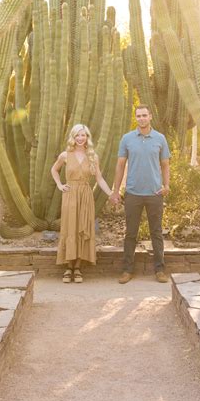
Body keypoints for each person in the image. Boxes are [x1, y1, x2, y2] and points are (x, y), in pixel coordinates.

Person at [110, 105, 170, 284]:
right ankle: (127, 270)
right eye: (139, 116)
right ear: (136, 118)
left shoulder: (160, 138)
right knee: (130, 233)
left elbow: (165, 164)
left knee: (156, 233)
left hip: (154, 193)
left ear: (150, 116)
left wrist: (166, 185)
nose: (142, 118)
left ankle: (160, 270)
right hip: (133, 193)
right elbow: (120, 165)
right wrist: (116, 190)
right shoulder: (127, 139)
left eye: (144, 115)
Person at [51, 124, 113, 283]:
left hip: (86, 195)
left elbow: (99, 178)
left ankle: (77, 268)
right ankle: (68, 267)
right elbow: (54, 170)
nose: (80, 138)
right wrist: (59, 185)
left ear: (87, 137)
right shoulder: (65, 155)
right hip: (70, 194)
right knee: (70, 228)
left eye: (83, 135)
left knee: (82, 228)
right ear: (73, 137)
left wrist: (111, 194)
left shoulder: (93, 156)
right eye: (77, 135)